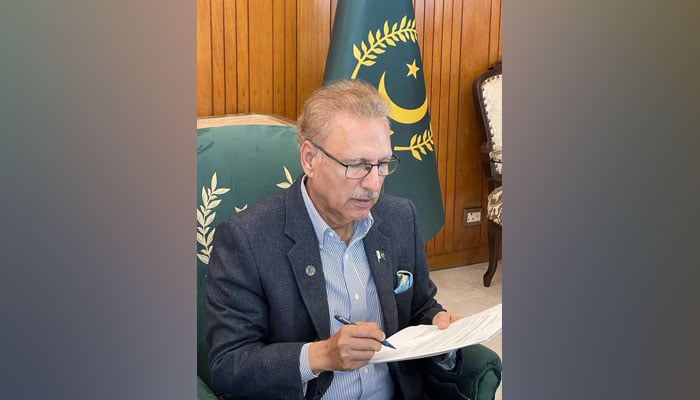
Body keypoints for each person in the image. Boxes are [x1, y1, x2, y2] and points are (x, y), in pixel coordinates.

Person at [205, 79, 462, 399]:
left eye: (383, 164)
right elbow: (228, 367)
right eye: (357, 165)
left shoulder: (400, 218)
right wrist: (321, 355)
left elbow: (421, 306)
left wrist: (440, 326)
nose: (373, 184)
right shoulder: (247, 239)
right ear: (310, 158)